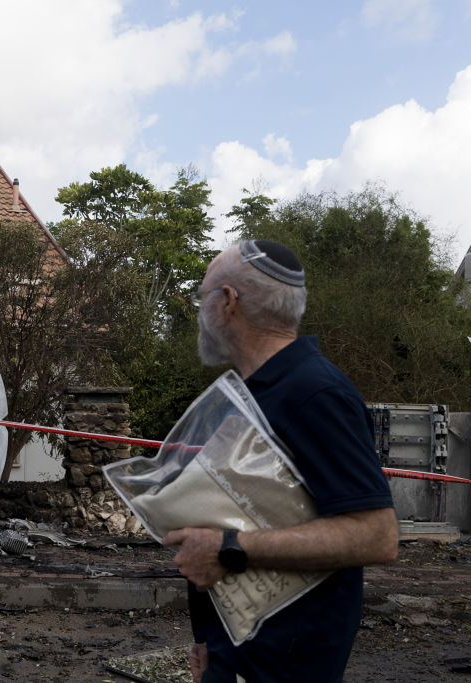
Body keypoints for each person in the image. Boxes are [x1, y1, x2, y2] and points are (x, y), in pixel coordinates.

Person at [163, 240, 398, 683]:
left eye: (202, 297)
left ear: (228, 302)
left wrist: (230, 549)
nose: (200, 310)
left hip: (285, 664)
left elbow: (376, 535)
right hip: (236, 652)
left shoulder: (315, 393)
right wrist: (206, 639)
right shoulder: (254, 393)